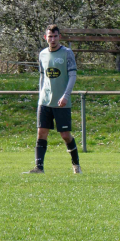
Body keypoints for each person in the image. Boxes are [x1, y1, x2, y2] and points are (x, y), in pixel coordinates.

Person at [24, 25, 81, 174]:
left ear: (59, 37)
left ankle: (76, 165)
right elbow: (43, 76)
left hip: (61, 101)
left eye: (55, 36)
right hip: (45, 101)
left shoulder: (67, 53)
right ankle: (39, 168)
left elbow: (73, 76)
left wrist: (66, 96)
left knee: (65, 135)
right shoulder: (42, 54)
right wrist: (40, 95)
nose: (53, 39)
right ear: (45, 37)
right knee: (41, 133)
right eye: (50, 36)